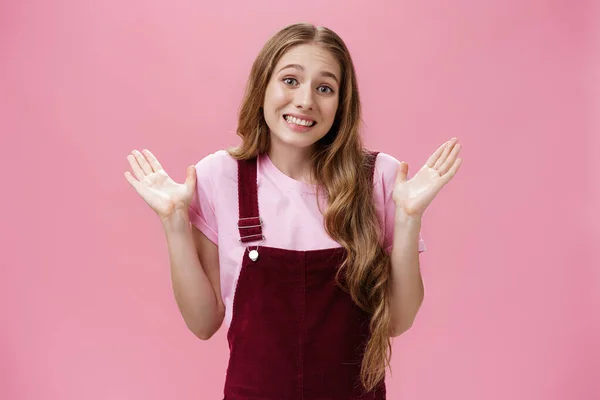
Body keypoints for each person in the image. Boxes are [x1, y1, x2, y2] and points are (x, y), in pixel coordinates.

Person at [124, 22, 461, 400]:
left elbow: (398, 321)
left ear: (341, 103)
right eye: (290, 80)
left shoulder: (380, 178)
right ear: (263, 86)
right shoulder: (219, 177)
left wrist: (409, 218)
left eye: (325, 88)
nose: (305, 101)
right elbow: (203, 323)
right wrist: (173, 222)